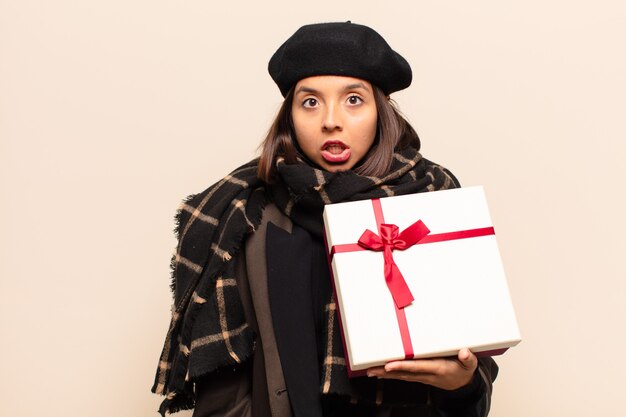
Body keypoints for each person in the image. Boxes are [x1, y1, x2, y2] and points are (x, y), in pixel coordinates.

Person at [152, 22, 499, 417]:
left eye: (353, 100)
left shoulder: (433, 201)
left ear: (380, 112)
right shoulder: (244, 215)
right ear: (290, 116)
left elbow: (473, 382)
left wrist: (463, 384)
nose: (331, 120)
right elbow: (226, 397)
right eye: (311, 102)